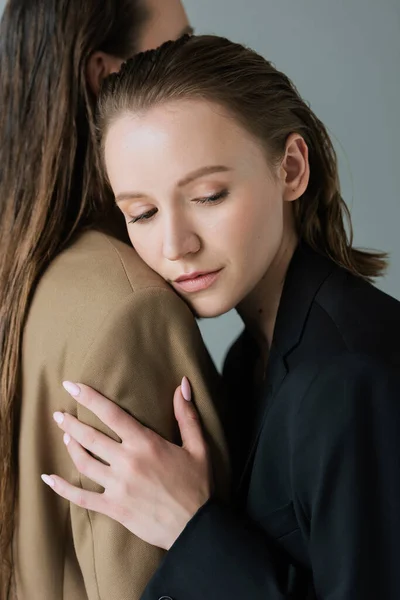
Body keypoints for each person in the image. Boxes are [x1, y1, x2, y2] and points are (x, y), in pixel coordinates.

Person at [45, 35, 400, 599]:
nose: (175, 244)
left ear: (290, 169)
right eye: (142, 212)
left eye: (208, 196)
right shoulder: (246, 359)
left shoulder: (352, 379)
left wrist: (191, 528)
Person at [0, 6, 230, 600]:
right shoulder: (130, 310)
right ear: (106, 79)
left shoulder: (28, 273)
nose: (200, 65)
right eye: (175, 49)